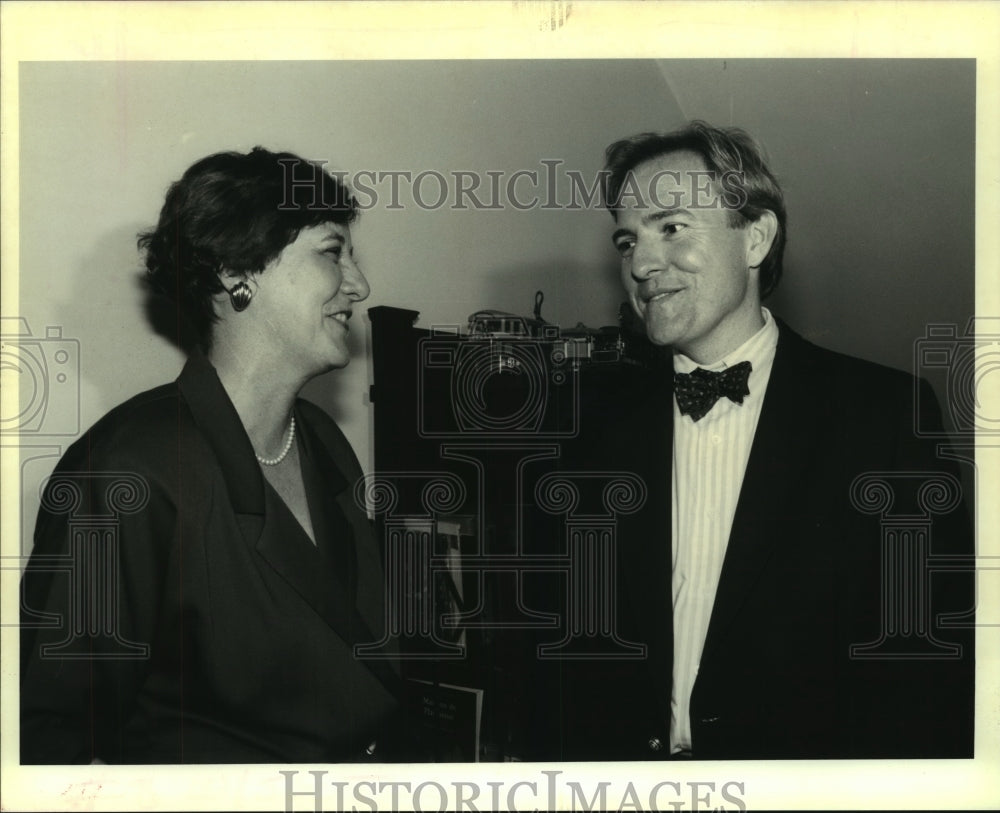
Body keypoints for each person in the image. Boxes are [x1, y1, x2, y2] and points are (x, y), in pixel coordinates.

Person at [529, 121, 975, 760]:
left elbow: (931, 670)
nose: (641, 264)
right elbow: (554, 659)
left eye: (672, 227)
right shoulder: (585, 427)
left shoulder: (886, 418)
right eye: (627, 240)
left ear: (755, 238)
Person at [20, 147, 409, 763]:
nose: (359, 285)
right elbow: (52, 735)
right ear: (236, 272)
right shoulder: (128, 469)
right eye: (332, 253)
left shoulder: (324, 442)